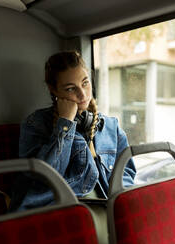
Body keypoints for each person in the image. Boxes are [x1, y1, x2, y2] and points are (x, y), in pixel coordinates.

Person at [12, 51, 136, 210]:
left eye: (85, 83)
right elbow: (46, 178)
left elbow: (126, 175)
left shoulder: (111, 126)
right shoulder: (35, 125)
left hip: (107, 207)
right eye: (71, 89)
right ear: (53, 90)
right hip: (60, 209)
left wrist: (123, 207)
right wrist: (65, 124)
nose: (82, 94)